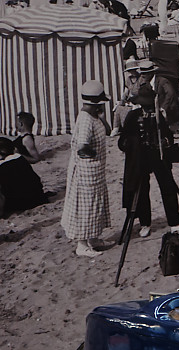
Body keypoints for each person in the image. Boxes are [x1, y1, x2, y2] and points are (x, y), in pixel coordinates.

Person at [117, 85, 179, 238]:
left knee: (168, 186)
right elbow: (122, 141)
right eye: (145, 104)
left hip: (158, 156)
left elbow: (168, 136)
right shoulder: (133, 116)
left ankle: (175, 223)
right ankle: (145, 223)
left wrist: (165, 142)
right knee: (141, 190)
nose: (148, 108)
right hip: (140, 158)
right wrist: (132, 143)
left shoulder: (158, 114)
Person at [62, 81, 113, 257]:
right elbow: (82, 147)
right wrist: (95, 154)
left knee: (95, 205)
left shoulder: (94, 116)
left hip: (95, 171)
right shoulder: (85, 120)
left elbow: (108, 131)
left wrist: (102, 116)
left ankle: (93, 238)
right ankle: (82, 245)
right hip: (86, 171)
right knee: (85, 207)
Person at [0, 136, 47, 212]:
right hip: (37, 196)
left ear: (2, 151)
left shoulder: (3, 167)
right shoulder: (21, 159)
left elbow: (5, 189)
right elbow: (35, 178)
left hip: (21, 203)